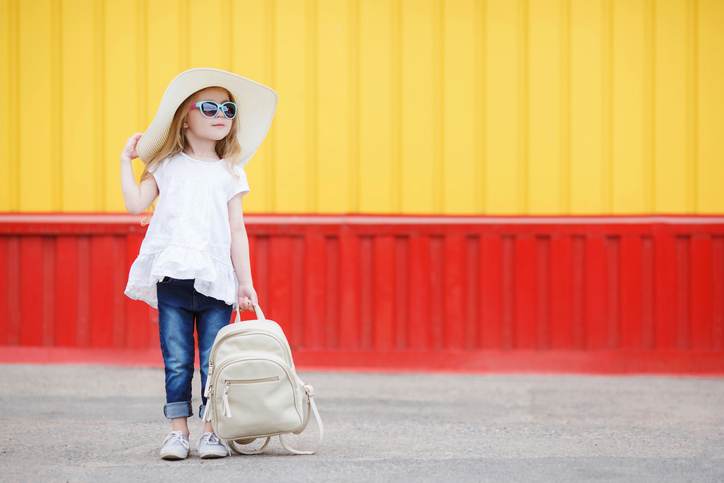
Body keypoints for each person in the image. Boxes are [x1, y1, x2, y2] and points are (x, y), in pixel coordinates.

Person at [119, 68, 278, 460]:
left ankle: (211, 432)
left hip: (216, 281)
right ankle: (177, 432)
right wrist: (126, 160)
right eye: (209, 107)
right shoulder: (166, 165)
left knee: (214, 360)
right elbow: (136, 205)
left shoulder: (230, 171)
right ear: (185, 116)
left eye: (228, 108)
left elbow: (236, 230)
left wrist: (246, 282)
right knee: (176, 360)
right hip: (173, 276)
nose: (220, 114)